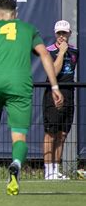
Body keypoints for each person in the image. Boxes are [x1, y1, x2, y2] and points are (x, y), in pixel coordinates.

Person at [0, 0, 63, 195]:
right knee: (19, 134)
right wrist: (54, 87)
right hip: (20, 85)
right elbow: (45, 55)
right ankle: (17, 163)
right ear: (15, 14)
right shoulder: (28, 29)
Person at [43, 20, 78, 180]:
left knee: (63, 133)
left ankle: (56, 169)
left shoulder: (75, 51)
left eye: (64, 33)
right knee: (51, 132)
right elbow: (54, 72)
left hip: (69, 93)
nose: (61, 36)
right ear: (55, 34)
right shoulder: (48, 51)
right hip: (53, 93)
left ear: (69, 34)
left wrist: (67, 51)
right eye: (59, 33)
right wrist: (62, 53)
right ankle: (48, 170)